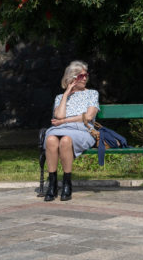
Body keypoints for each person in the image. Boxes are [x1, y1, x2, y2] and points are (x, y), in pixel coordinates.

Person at [42, 61, 98, 201]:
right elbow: (59, 116)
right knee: (50, 139)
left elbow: (89, 116)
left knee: (66, 139)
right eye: (81, 76)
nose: (85, 78)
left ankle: (67, 183)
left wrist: (64, 121)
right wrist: (66, 93)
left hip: (83, 130)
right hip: (60, 129)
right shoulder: (60, 97)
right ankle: (52, 184)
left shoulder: (92, 93)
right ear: (72, 78)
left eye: (86, 75)